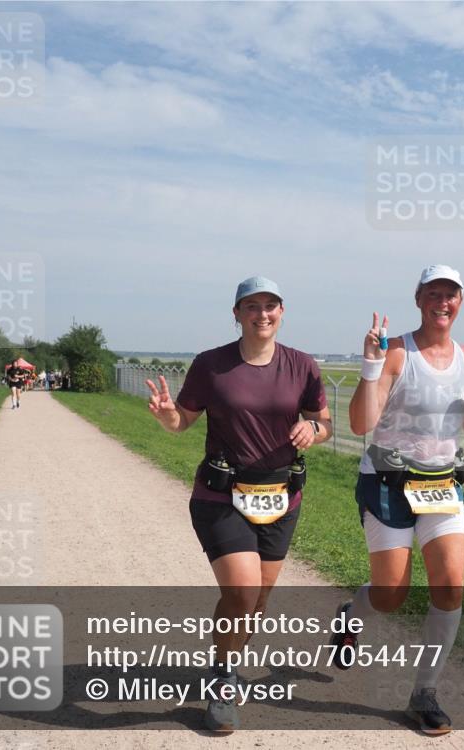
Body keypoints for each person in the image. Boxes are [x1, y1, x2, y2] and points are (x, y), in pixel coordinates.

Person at [145, 275, 332, 733]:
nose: (262, 313)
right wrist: (170, 416)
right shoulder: (211, 365)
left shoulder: (302, 365)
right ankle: (225, 680)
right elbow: (183, 421)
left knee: (257, 601)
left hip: (281, 497)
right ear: (236, 313)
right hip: (221, 495)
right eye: (252, 305)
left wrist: (315, 431)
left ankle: (221, 660)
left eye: (271, 305)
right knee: (243, 592)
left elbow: (323, 422)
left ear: (282, 312)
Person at [333, 265, 464, 735]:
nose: (442, 302)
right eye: (433, 293)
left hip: (443, 484)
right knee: (390, 595)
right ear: (419, 298)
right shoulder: (396, 355)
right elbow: (361, 424)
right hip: (387, 483)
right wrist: (369, 366)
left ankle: (424, 693)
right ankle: (352, 615)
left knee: (450, 586)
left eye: (451, 295)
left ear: (460, 302)